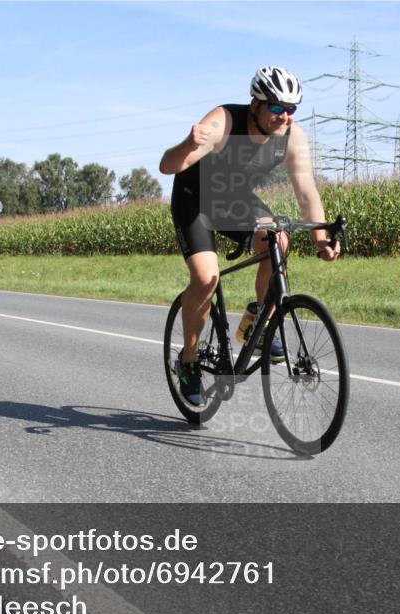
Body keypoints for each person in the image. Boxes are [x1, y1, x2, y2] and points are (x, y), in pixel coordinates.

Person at [159, 66, 341, 407]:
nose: (284, 116)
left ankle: (257, 325)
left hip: (235, 201)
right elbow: (167, 166)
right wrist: (187, 143)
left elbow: (306, 193)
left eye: (291, 109)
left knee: (279, 240)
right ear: (255, 103)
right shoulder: (224, 122)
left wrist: (320, 238)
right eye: (276, 107)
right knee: (205, 277)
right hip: (195, 199)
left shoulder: (292, 136)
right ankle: (189, 361)